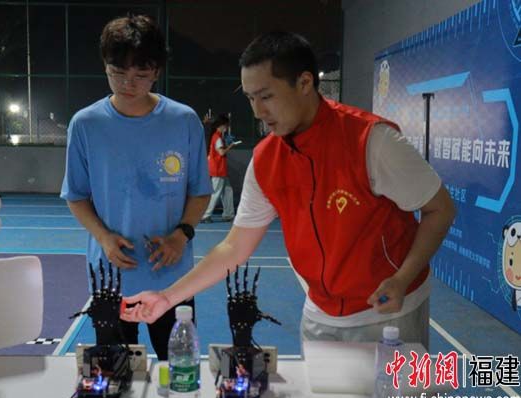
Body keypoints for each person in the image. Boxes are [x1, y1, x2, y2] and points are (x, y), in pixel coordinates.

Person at [120, 31, 455, 349]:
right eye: (250, 98)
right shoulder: (266, 159)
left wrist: (402, 278)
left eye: (266, 96)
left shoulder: (372, 141)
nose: (258, 111)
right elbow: (235, 247)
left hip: (389, 312)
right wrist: (167, 297)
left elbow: (440, 209)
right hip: (319, 314)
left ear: (305, 83)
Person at [60, 14, 211, 360]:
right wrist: (103, 237)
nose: (128, 84)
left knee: (179, 368)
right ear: (104, 66)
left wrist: (181, 235)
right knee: (114, 372)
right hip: (111, 277)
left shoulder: (184, 120)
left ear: (156, 72)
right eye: (118, 73)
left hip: (172, 279)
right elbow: (77, 196)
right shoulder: (85, 124)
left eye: (141, 75)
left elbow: (200, 191)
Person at [201, 114, 239, 223]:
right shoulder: (217, 137)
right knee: (215, 193)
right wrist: (231, 146)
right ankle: (205, 215)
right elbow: (221, 152)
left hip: (220, 169)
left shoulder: (216, 136)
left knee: (228, 191)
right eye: (226, 125)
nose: (226, 128)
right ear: (221, 125)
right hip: (218, 169)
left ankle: (228, 214)